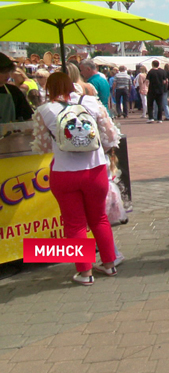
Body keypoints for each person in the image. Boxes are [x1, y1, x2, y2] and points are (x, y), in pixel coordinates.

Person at [30, 72, 121, 285]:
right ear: (71, 85)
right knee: (99, 219)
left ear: (49, 88)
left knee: (75, 224)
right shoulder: (90, 102)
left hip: (64, 172)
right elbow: (110, 136)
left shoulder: (43, 110)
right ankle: (109, 265)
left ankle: (85, 273)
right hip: (95, 170)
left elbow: (42, 147)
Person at [0, 53, 34, 122]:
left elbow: (28, 118)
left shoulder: (14, 91)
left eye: (9, 71)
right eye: (4, 72)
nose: (8, 75)